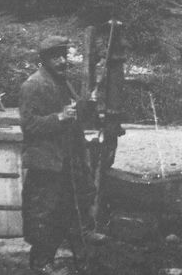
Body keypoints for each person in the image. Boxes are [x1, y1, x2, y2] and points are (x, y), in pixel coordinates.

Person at [20, 36, 106, 275]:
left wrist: (86, 104)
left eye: (64, 55)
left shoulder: (63, 81)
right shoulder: (33, 85)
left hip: (66, 158)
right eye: (56, 56)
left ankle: (82, 258)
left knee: (71, 207)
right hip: (45, 161)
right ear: (44, 59)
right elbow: (28, 124)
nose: (62, 61)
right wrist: (58, 118)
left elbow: (72, 111)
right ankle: (41, 263)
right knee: (45, 214)